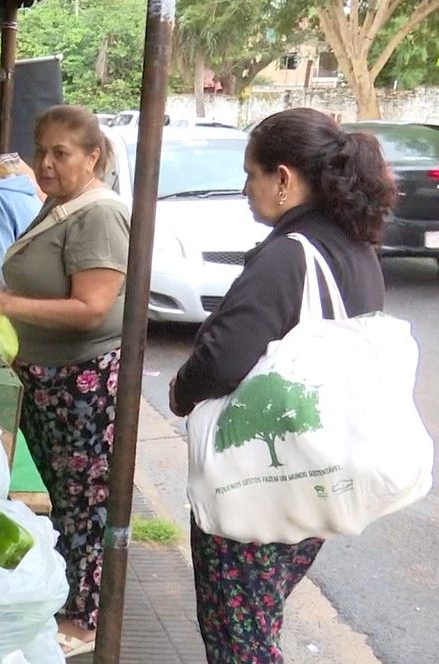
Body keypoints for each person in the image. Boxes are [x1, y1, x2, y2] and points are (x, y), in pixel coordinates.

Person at [168, 108, 393, 664]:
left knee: (238, 639)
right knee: (259, 619)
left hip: (259, 485)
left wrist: (179, 391)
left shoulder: (288, 255)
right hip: (314, 473)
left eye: (251, 174)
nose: (246, 190)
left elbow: (223, 359)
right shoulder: (354, 246)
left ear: (284, 179)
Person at [0, 104, 131, 658]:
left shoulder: (98, 215)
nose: (46, 162)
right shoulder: (60, 205)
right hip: (52, 379)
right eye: (41, 151)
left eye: (61, 152)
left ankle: (86, 620)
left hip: (83, 384)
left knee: (86, 502)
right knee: (65, 498)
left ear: (93, 157)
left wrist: (6, 302)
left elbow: (92, 307)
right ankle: (72, 599)